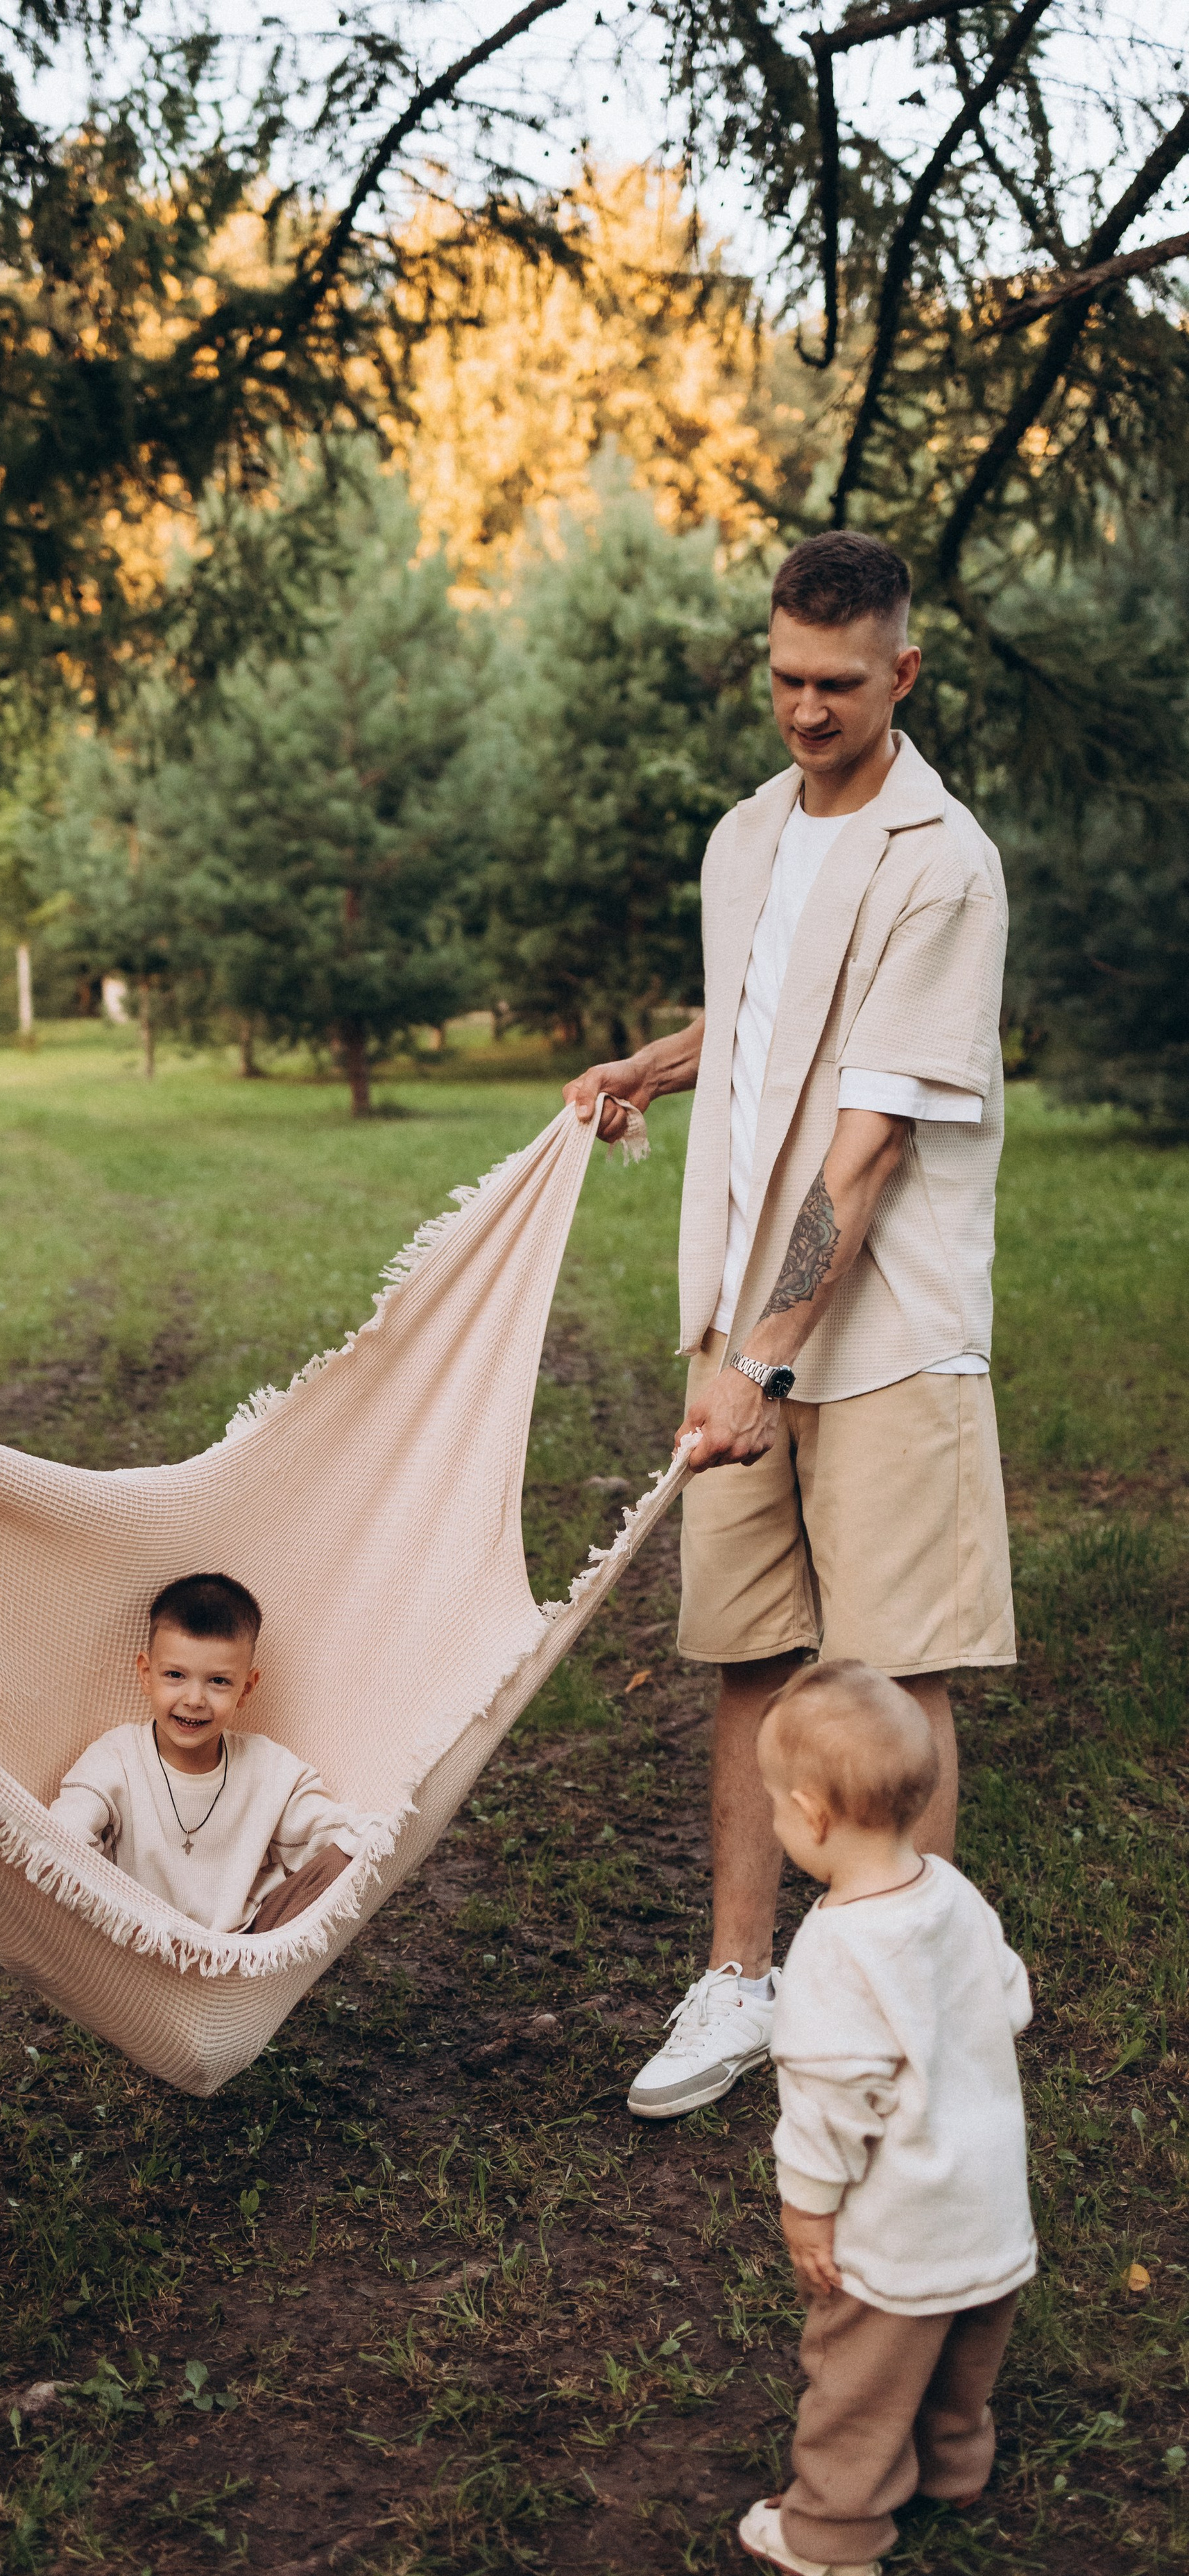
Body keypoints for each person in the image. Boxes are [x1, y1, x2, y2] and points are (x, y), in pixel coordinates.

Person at [565, 528, 1015, 2121]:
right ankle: (741, 1981)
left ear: (899, 670)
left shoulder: (939, 859)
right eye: (782, 681)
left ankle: (903, 2013)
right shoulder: (745, 834)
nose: (805, 712)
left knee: (890, 1676)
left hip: (876, 1330)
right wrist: (651, 1065)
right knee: (744, 1652)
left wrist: (765, 1358)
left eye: (837, 684)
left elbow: (872, 1141)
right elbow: (764, 1010)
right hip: (736, 1319)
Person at [737, 1659, 1034, 2576]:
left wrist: (809, 2210)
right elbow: (1011, 1999)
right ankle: (953, 2471)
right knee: (963, 2355)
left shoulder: (834, 1949)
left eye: (777, 1813)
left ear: (812, 1816)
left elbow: (831, 2099)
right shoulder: (953, 1893)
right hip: (989, 2209)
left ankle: (833, 2528)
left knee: (860, 2379)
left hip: (900, 2223)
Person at [50, 1572, 368, 1933]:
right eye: (174, 1675)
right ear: (146, 1674)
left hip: (245, 1951)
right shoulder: (115, 1759)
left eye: (218, 1681)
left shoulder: (270, 1769)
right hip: (129, 1939)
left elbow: (336, 1836)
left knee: (349, 1855)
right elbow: (62, 1837)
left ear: (246, 1689)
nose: (194, 1700)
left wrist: (391, 1834)